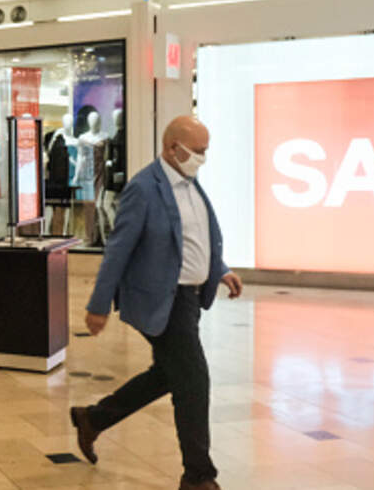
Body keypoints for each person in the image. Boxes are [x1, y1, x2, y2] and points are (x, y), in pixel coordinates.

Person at [69, 115, 244, 490]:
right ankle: (198, 476)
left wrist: (220, 269)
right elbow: (118, 250)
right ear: (171, 148)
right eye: (197, 151)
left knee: (169, 374)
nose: (202, 158)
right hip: (165, 300)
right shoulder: (144, 188)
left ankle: (93, 419)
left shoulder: (191, 185)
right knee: (193, 382)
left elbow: (193, 238)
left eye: (205, 150)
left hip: (189, 300)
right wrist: (99, 304)